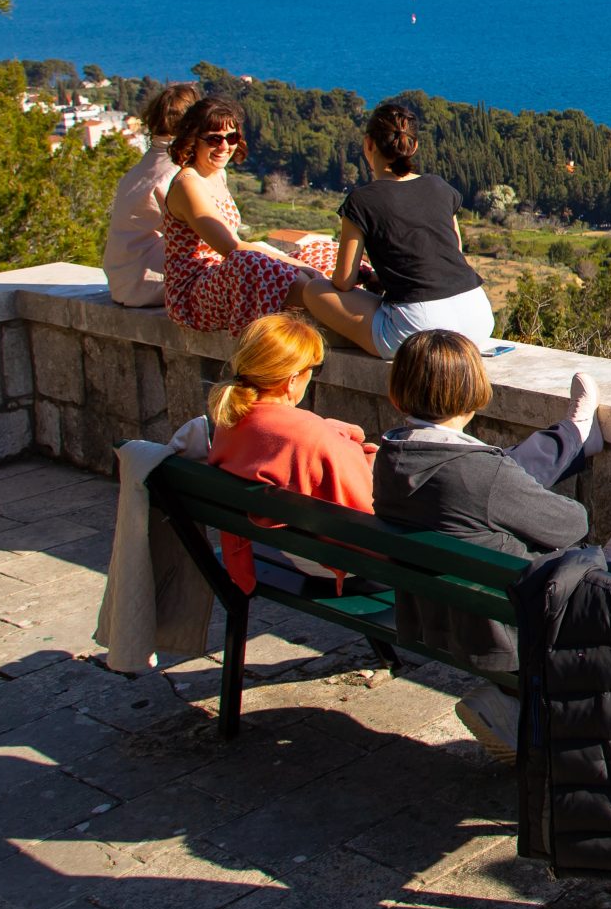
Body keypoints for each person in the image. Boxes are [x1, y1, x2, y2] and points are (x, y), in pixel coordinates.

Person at [372, 331, 611, 757]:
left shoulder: (390, 458)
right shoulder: (480, 474)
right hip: (512, 628)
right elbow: (571, 523)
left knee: (509, 488)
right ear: (475, 395)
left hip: (437, 613)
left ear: (397, 395)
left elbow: (480, 493)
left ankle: (574, 437)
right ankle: (512, 699)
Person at [297, 102, 494, 358]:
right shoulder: (439, 187)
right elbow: (452, 254)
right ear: (414, 146)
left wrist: (365, 277)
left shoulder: (361, 201)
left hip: (419, 330)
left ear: (368, 144)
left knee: (313, 291)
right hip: (478, 319)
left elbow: (343, 281)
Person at [204, 312, 375, 592]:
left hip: (284, 548)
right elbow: (367, 523)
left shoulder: (230, 421)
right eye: (314, 369)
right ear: (292, 379)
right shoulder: (311, 437)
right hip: (335, 565)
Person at [160, 98, 337, 335]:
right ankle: (334, 313)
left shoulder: (216, 173)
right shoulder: (188, 184)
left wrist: (297, 262)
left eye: (231, 138)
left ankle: (327, 304)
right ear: (193, 140)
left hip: (226, 275)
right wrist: (298, 265)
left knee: (325, 249)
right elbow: (231, 248)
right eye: (214, 139)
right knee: (259, 265)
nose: (224, 147)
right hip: (194, 293)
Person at [102, 82, 200, 306]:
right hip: (146, 284)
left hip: (122, 281)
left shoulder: (143, 168)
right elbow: (207, 238)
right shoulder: (177, 175)